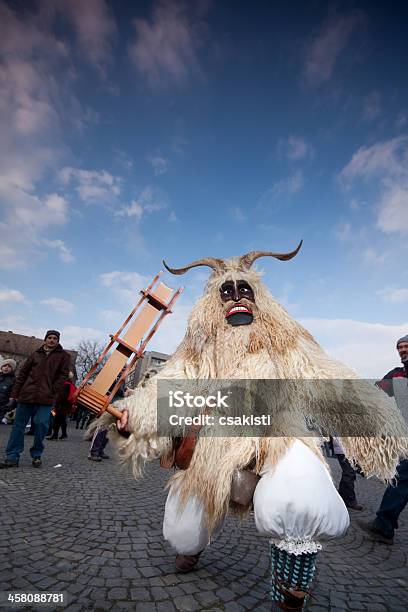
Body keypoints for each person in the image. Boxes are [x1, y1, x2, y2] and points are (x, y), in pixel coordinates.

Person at [95, 247, 407, 609]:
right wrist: (136, 416)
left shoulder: (284, 339)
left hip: (274, 436)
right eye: (227, 292)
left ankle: (290, 592)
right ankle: (191, 549)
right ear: (215, 301)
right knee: (183, 532)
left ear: (259, 297)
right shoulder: (198, 346)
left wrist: (372, 421)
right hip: (209, 445)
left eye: (245, 290)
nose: (237, 297)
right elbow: (174, 383)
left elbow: (322, 374)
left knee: (302, 493)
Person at [358, 334, 408, 544]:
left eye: (406, 346)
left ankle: (384, 524)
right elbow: (376, 391)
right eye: (400, 348)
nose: (402, 350)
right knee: (402, 478)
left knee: (402, 480)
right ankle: (384, 524)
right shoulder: (396, 374)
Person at [0, 331, 70, 469]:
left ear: (58, 341)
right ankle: (12, 457)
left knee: (41, 425)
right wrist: (14, 394)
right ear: (45, 340)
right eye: (49, 338)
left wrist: (53, 391)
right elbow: (23, 374)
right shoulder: (36, 354)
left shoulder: (63, 356)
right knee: (18, 427)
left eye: (55, 338)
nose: (51, 340)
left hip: (46, 397)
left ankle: (37, 454)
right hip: (27, 395)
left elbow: (63, 376)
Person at [332, 437, 363, 511]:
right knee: (349, 473)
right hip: (343, 447)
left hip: (346, 447)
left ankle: (340, 498)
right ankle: (351, 501)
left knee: (347, 473)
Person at [47, 372, 76, 440]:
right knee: (62, 420)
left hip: (60, 406)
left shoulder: (65, 385)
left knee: (56, 420)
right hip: (66, 406)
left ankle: (55, 435)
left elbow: (61, 396)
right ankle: (64, 434)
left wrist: (56, 403)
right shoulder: (71, 384)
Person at [0, 359, 17, 424]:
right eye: (4, 366)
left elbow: (14, 393)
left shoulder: (13, 380)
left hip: (3, 407)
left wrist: (10, 404)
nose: (6, 368)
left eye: (9, 366)